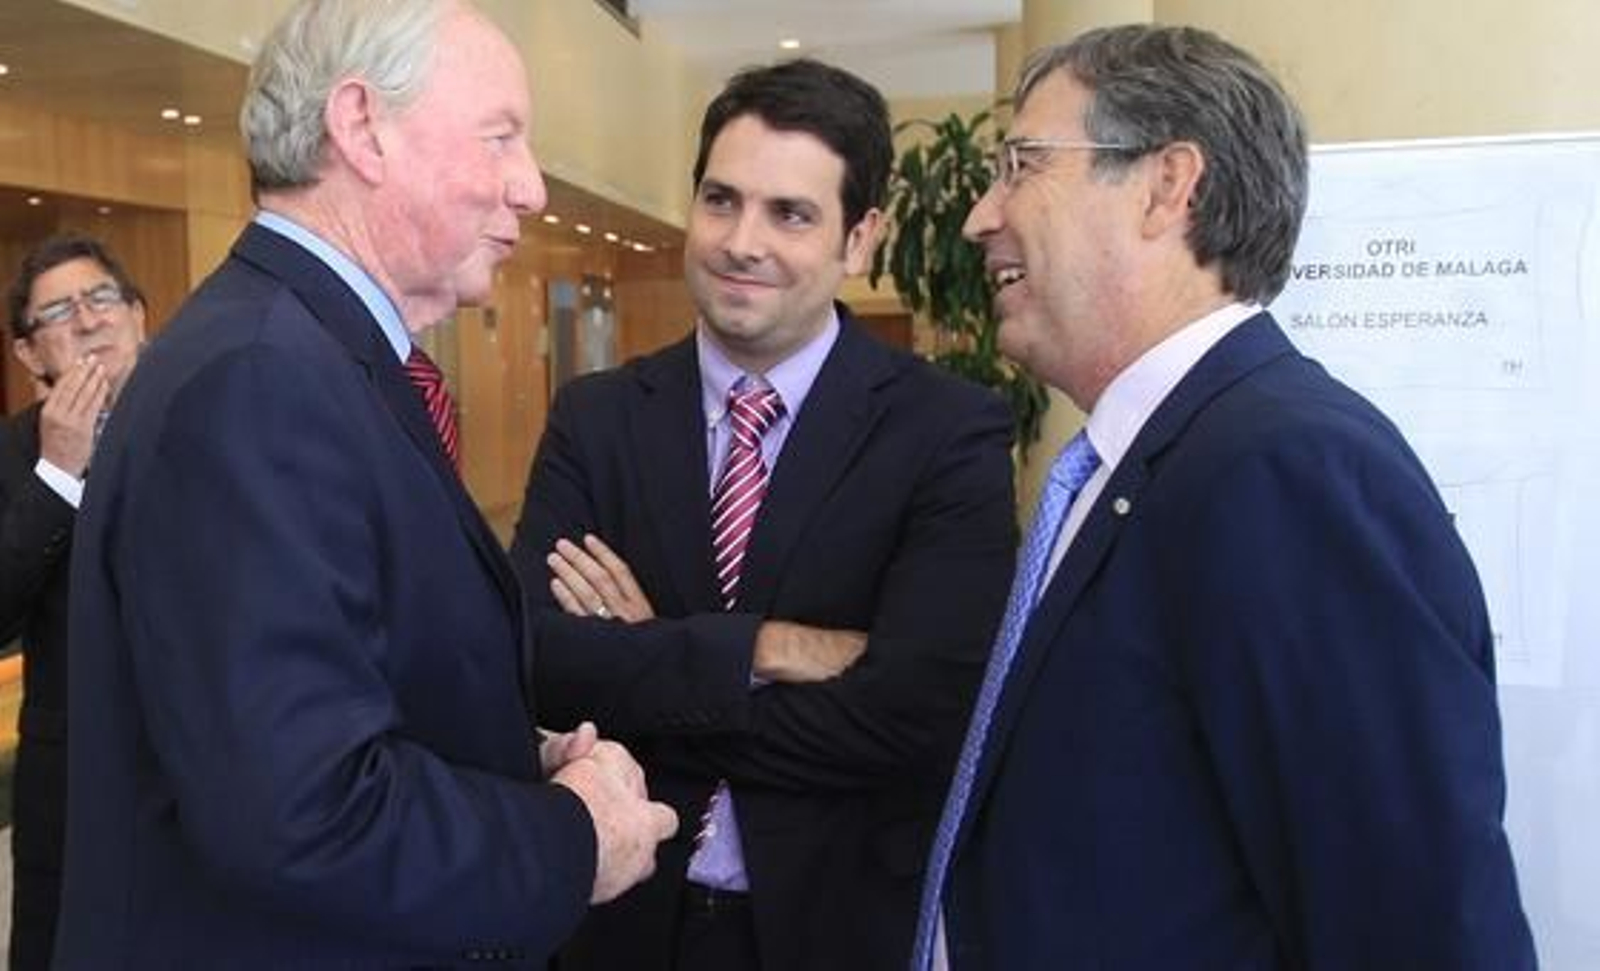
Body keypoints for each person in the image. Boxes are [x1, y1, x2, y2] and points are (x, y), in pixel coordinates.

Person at [54, 1, 677, 966]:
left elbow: (339, 690)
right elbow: (301, 810)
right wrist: (574, 836)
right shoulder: (258, 383)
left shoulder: (305, 357)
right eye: (502, 136)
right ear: (360, 127)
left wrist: (512, 767)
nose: (533, 187)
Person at [914, 24, 1537, 971]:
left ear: (1169, 186)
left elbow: (1414, 923)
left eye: (1022, 164)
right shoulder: (1143, 460)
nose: (978, 215)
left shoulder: (1290, 470)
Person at [508, 59, 1017, 971]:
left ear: (860, 239)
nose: (743, 241)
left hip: (832, 930)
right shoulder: (598, 415)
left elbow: (916, 715)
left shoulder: (948, 431)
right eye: (720, 199)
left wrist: (657, 648)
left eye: (791, 213)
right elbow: (535, 661)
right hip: (618, 925)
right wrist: (760, 649)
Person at [1, 233, 146, 971]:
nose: (88, 320)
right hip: (72, 778)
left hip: (199, 762)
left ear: (139, 317)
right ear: (29, 355)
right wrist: (58, 475)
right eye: (58, 311)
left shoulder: (204, 420)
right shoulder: (13, 451)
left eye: (102, 298)